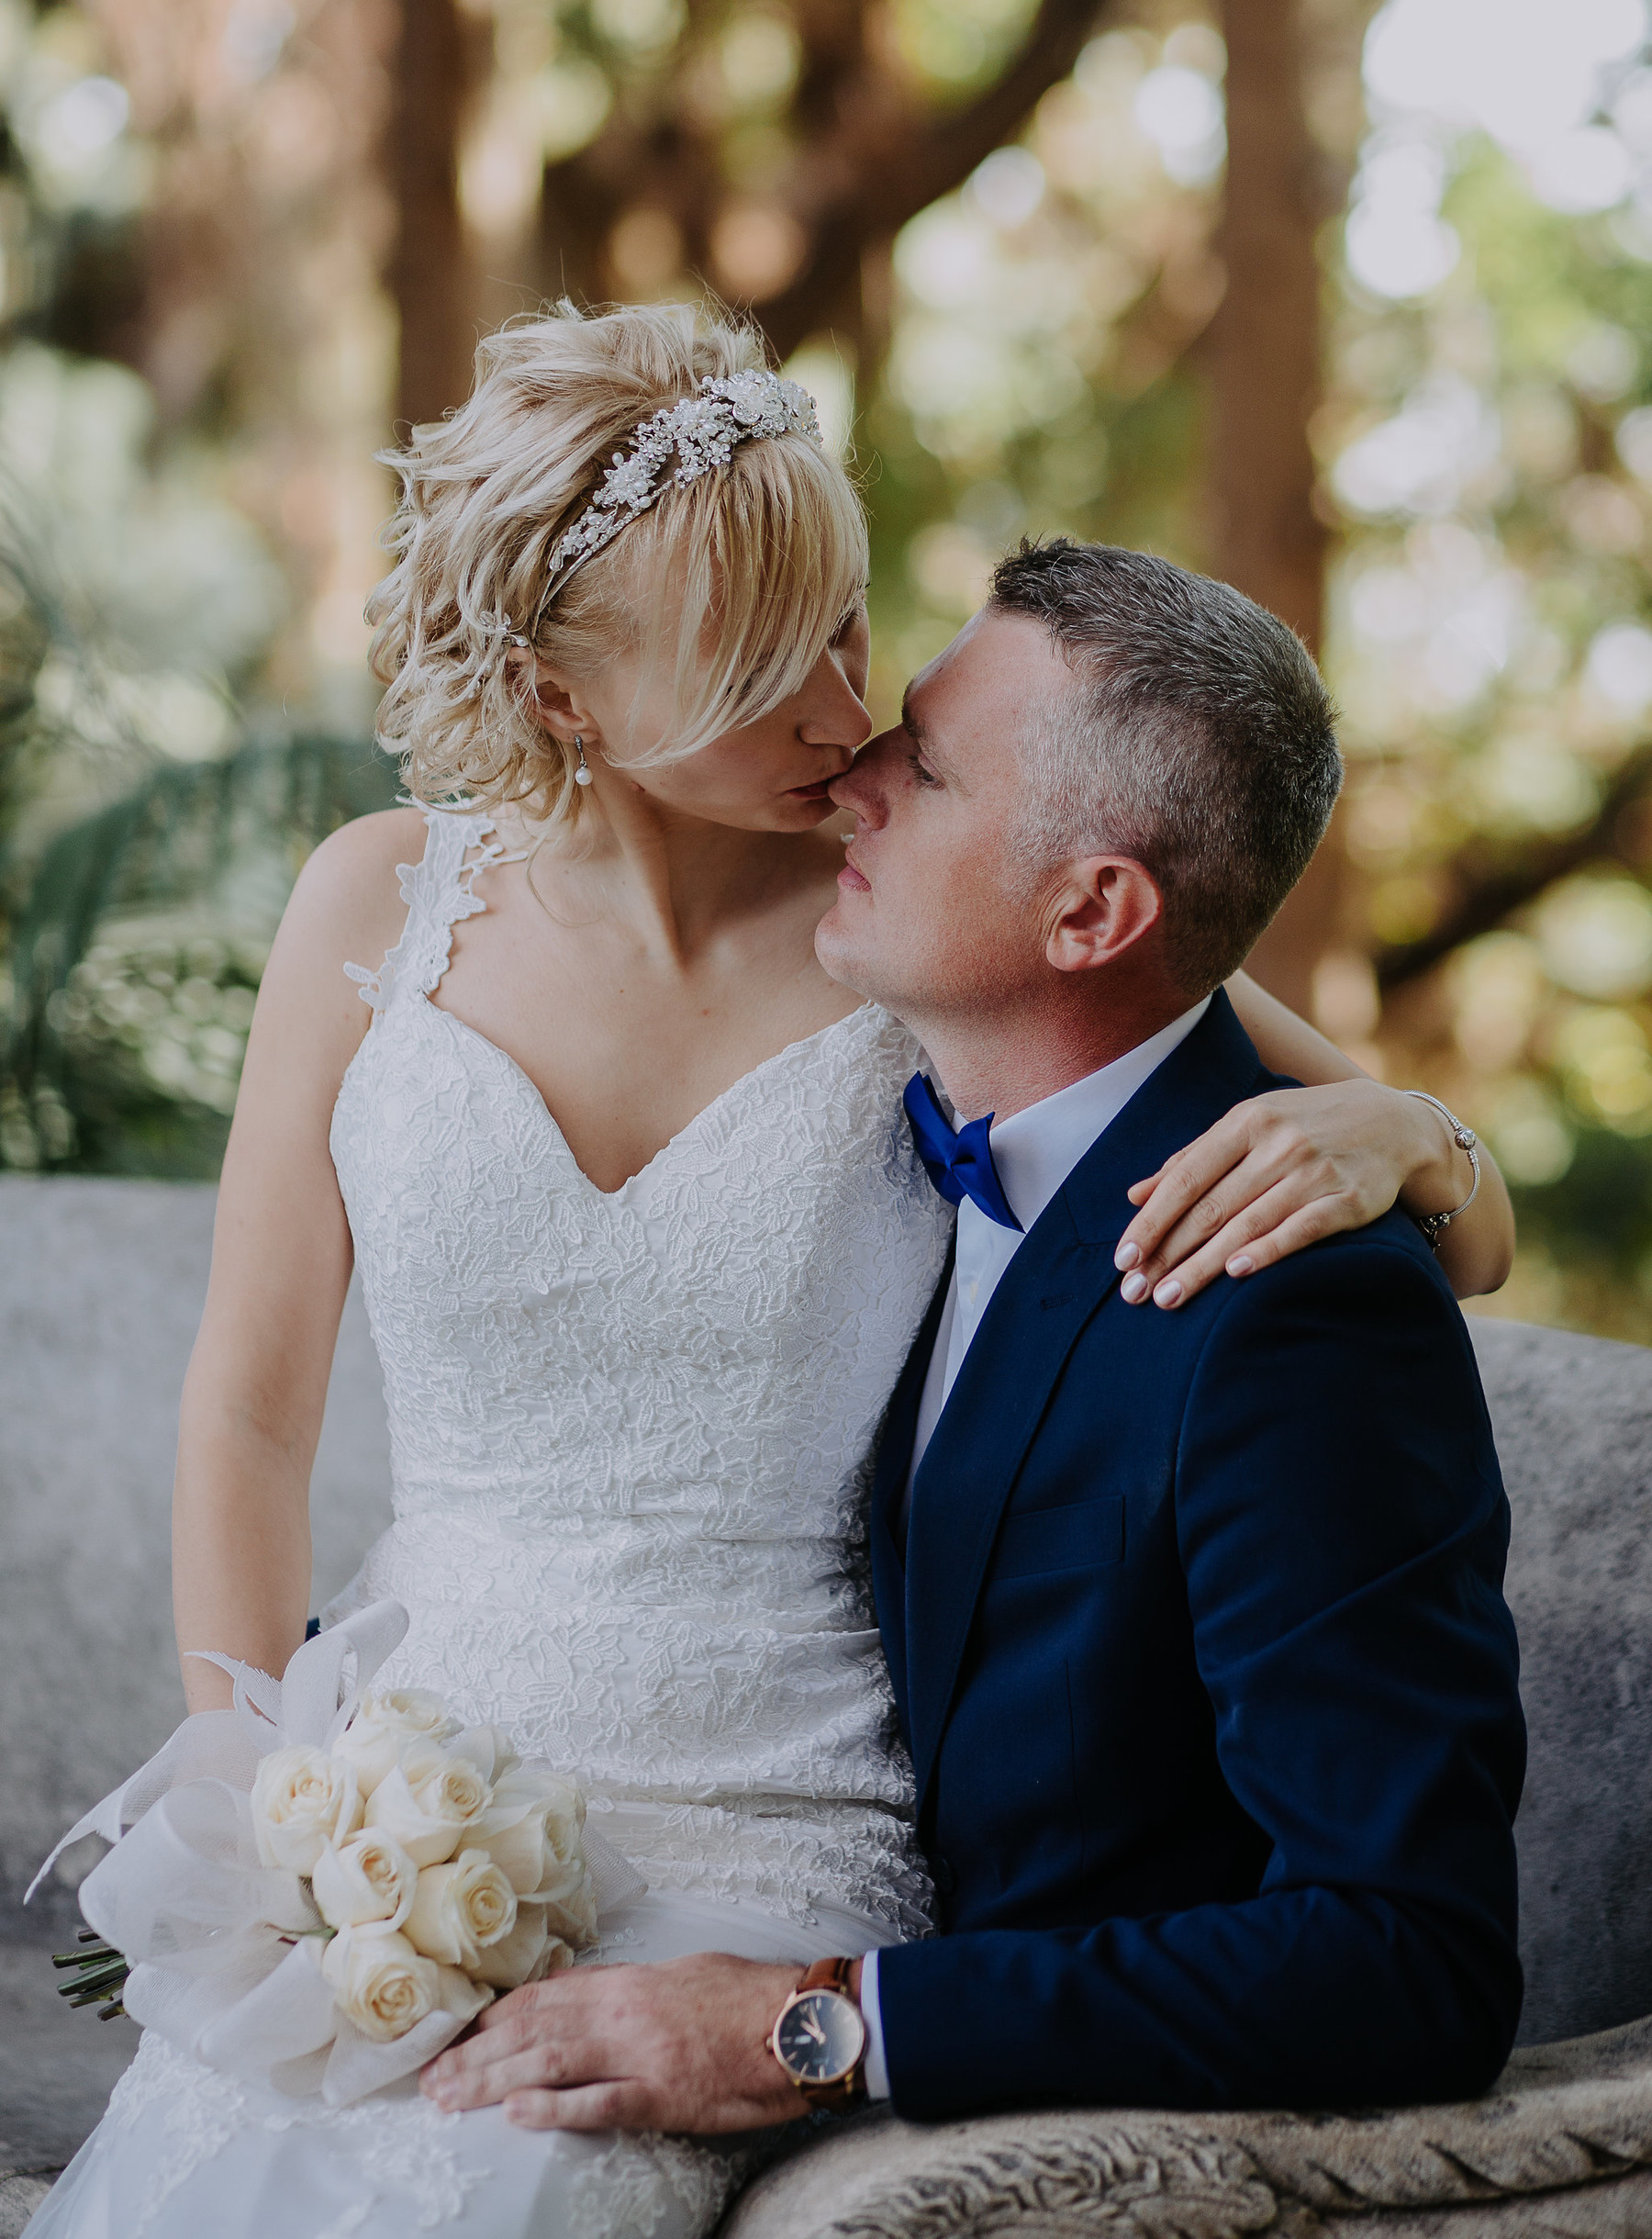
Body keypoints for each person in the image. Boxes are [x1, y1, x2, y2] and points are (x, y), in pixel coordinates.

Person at [30, 310, 1512, 2239]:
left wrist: (1406, 1131)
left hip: (778, 1805)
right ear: (568, 699)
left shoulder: (925, 923)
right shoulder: (375, 902)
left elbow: (1355, 1160)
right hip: (399, 1773)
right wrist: (267, 1803)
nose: (846, 717)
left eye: (843, 622)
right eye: (761, 670)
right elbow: (247, 1401)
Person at [419, 541, 1524, 2137]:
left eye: (924, 770)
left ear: (1089, 909)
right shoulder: (903, 1118)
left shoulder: (1300, 1314)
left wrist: (817, 2028)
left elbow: (1415, 1963)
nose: (850, 779)